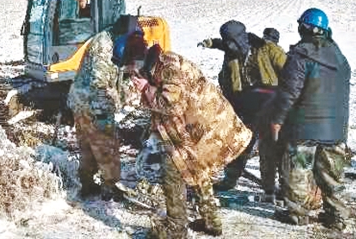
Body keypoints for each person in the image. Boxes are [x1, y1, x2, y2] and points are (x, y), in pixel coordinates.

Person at [124, 44, 253, 238]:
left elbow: (170, 104)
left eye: (131, 70)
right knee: (196, 169)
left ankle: (175, 229)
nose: (132, 75)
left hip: (206, 128)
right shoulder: (157, 66)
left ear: (138, 62)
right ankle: (212, 221)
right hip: (195, 128)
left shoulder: (170, 67)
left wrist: (146, 89)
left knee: (173, 172)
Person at [268, 8, 351, 231]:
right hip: (335, 130)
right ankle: (337, 216)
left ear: (304, 28)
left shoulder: (300, 56)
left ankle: (297, 214)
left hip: (304, 128)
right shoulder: (339, 57)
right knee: (332, 175)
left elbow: (288, 93)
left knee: (297, 171)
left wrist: (277, 120)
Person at [198, 21, 287, 193]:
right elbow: (222, 53)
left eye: (232, 41)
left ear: (241, 38)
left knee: (273, 150)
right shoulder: (231, 53)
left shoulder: (267, 50)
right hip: (245, 108)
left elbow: (290, 72)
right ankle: (230, 180)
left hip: (270, 107)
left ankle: (284, 189)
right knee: (238, 145)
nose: (230, 46)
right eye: (227, 42)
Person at [67, 14, 145, 200]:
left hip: (82, 100)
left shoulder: (113, 40)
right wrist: (111, 107)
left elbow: (117, 71)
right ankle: (109, 187)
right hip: (93, 102)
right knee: (106, 144)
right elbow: (99, 84)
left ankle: (87, 184)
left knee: (87, 144)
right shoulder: (104, 45)